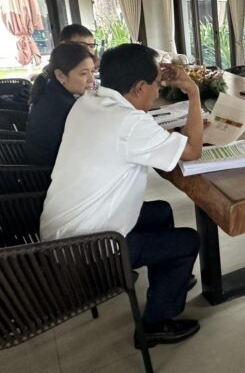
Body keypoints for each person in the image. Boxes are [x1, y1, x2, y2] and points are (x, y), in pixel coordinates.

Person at [40, 43, 204, 348]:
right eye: (156, 84)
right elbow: (192, 150)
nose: (158, 91)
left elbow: (132, 130)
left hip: (62, 232)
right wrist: (192, 92)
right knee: (188, 241)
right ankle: (155, 325)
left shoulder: (89, 100)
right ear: (140, 86)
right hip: (88, 247)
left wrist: (156, 76)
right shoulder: (130, 123)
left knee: (161, 212)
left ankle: (167, 282)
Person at [25, 42, 95, 166]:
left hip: (43, 169)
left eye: (93, 72)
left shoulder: (50, 91)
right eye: (84, 73)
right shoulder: (64, 106)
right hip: (50, 175)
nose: (91, 79)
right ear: (60, 76)